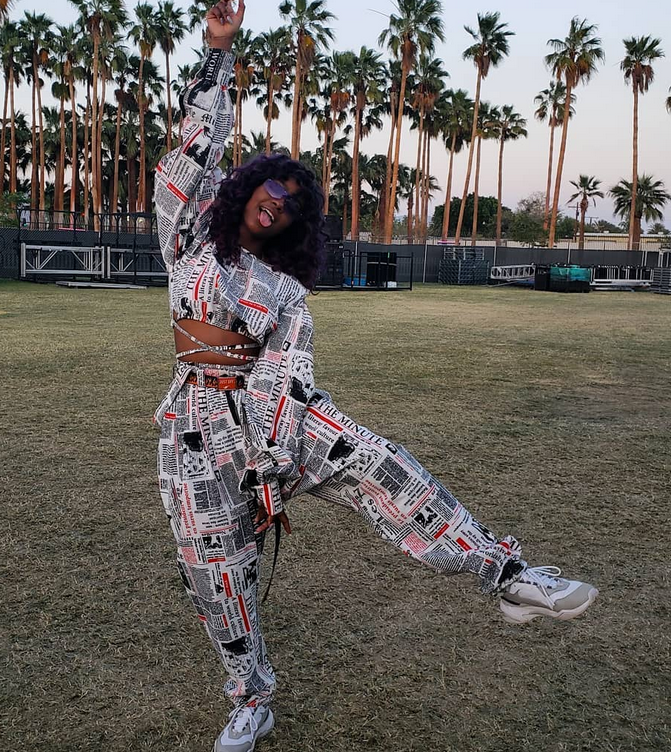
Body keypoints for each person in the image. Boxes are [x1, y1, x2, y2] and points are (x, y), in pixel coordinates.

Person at [153, 3, 598, 750]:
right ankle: (251, 699)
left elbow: (284, 374)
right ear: (245, 187)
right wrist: (218, 53)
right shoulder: (190, 237)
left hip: (276, 418)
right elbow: (194, 149)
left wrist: (270, 463)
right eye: (272, 187)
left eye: (294, 204)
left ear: (298, 226)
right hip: (192, 431)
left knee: (380, 463)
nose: (278, 202)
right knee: (216, 574)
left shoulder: (286, 291)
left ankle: (510, 575)